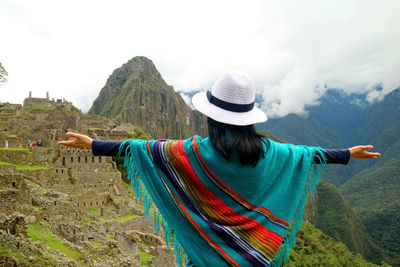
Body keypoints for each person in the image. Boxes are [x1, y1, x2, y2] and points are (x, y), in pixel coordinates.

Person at [58, 72, 380, 267]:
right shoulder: (273, 153)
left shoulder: (193, 153)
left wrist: (93, 144)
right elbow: (309, 155)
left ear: (211, 117)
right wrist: (347, 154)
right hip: (255, 258)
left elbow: (140, 148)